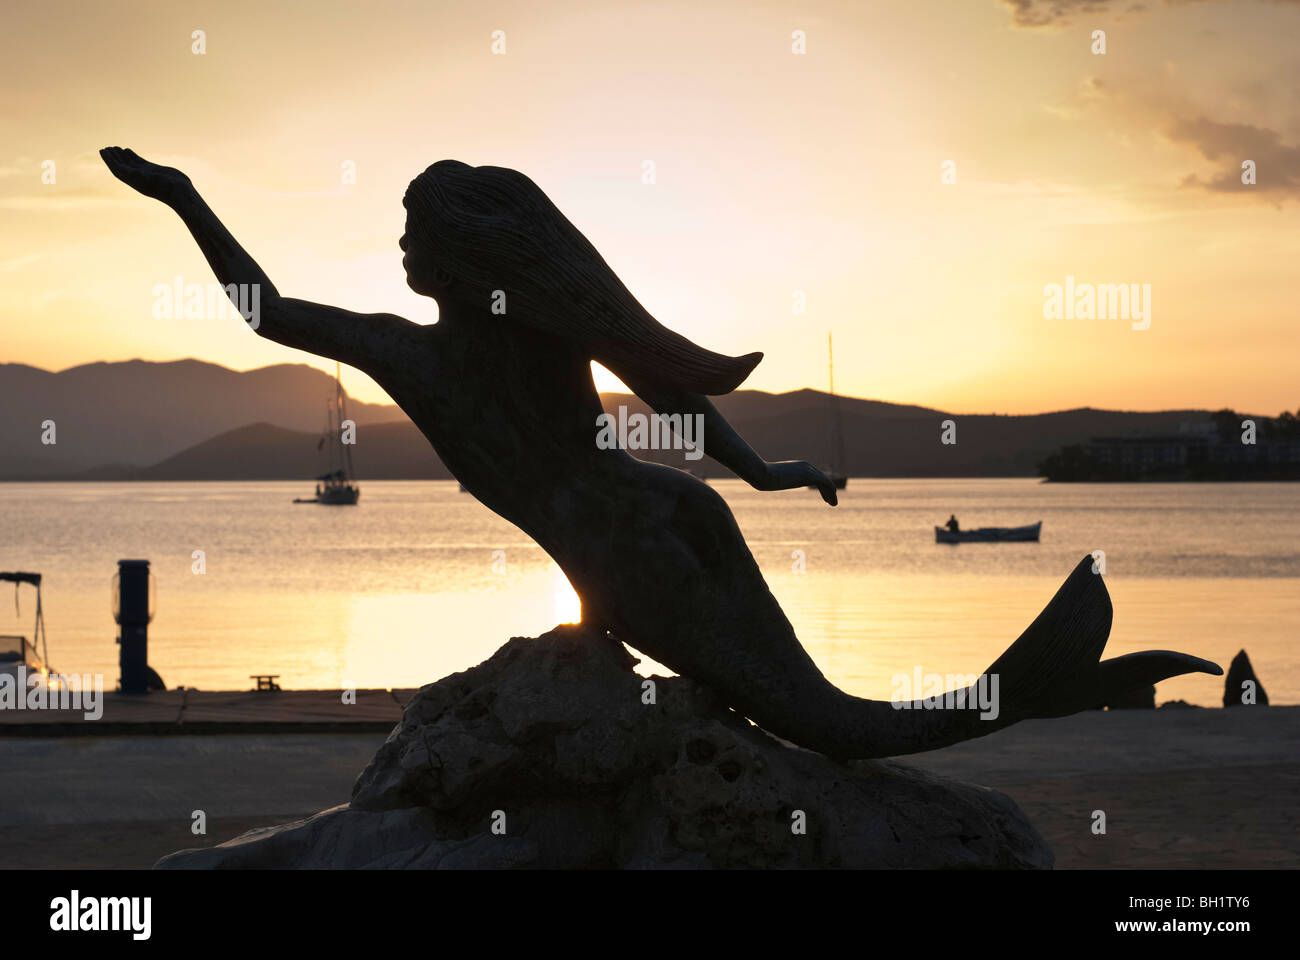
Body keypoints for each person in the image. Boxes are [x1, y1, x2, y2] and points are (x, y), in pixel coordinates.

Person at [98, 146, 1222, 758]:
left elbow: (266, 312)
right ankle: (1030, 691)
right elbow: (667, 394)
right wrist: (762, 476)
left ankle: (1024, 692)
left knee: (829, 723)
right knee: (830, 714)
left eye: (410, 230)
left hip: (622, 551)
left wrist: (185, 201)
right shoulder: (532, 335)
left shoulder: (418, 359)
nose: (396, 245)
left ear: (452, 252)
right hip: (673, 511)